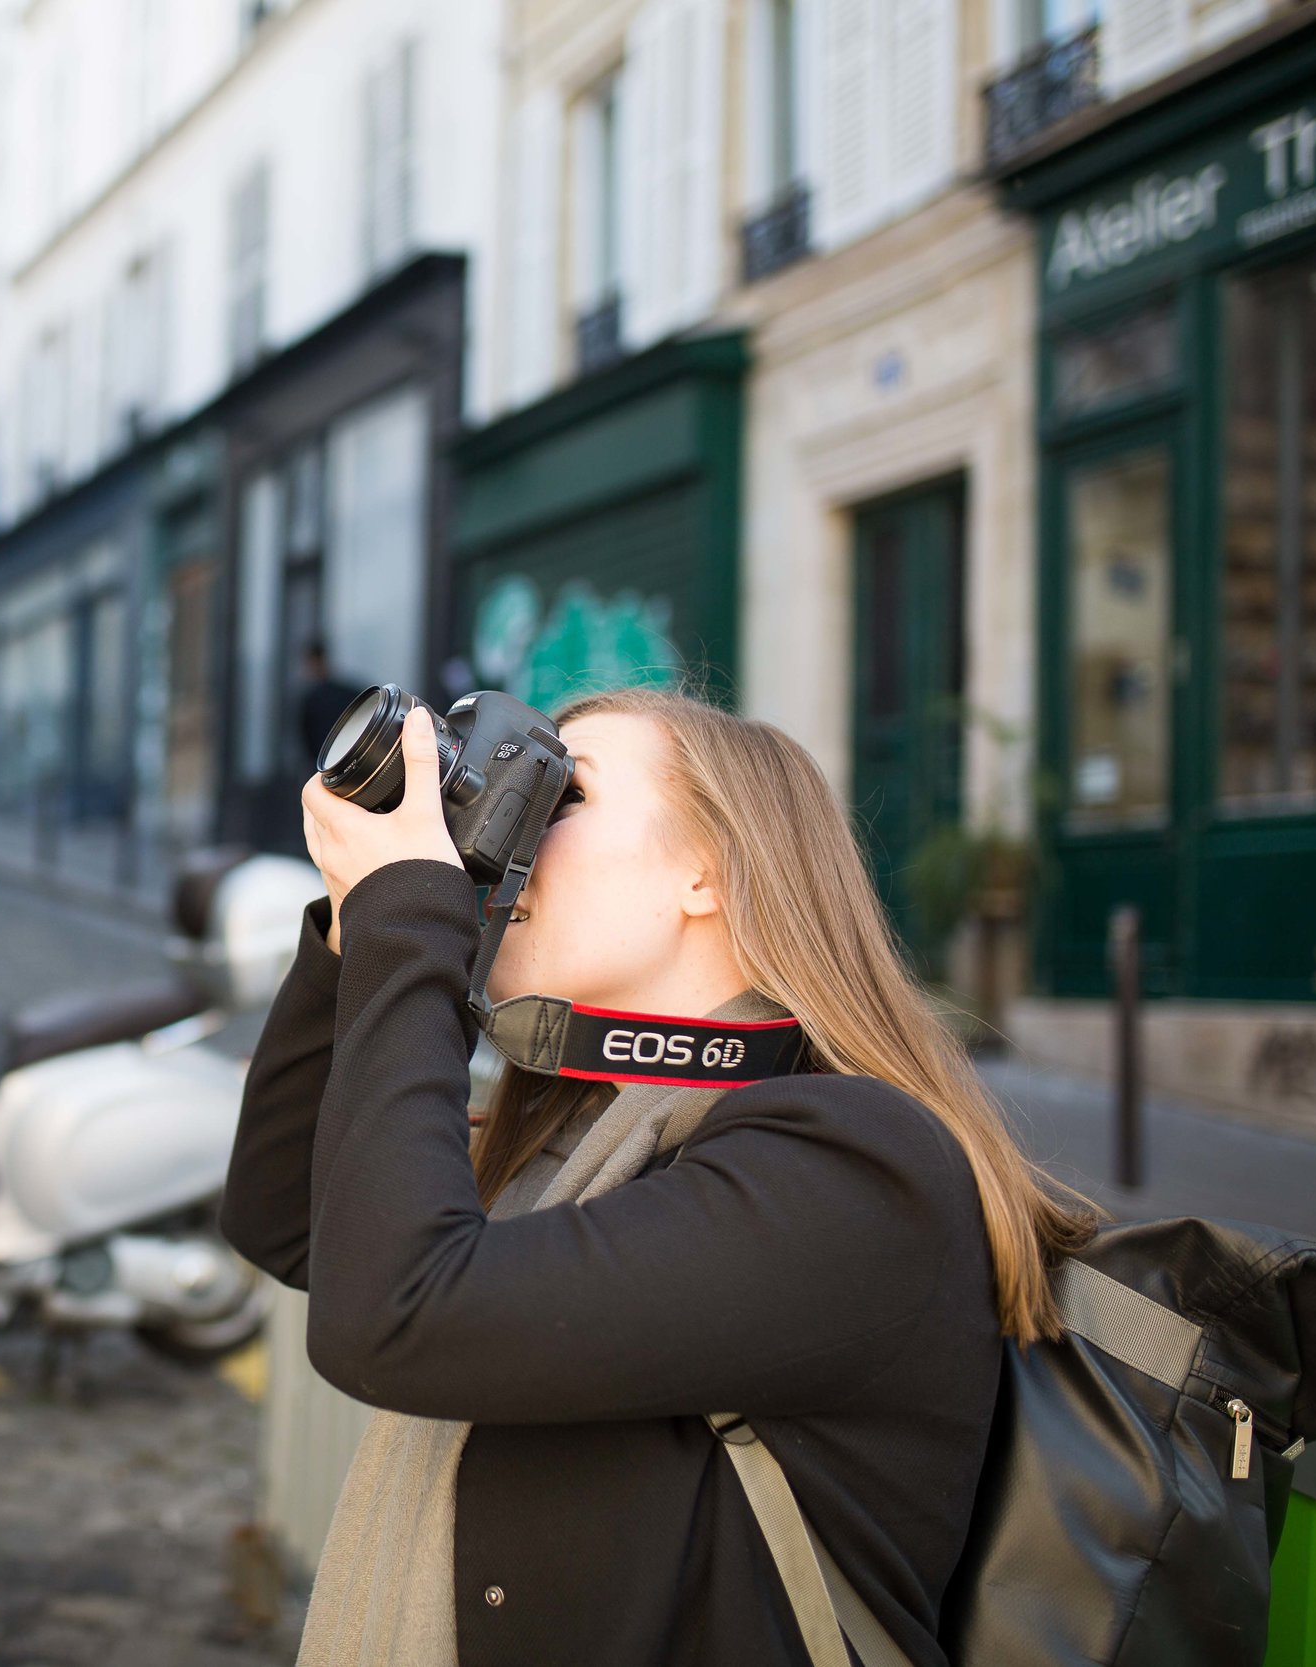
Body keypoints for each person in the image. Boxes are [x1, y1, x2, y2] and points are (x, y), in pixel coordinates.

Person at [222, 685, 1093, 1667]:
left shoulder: (854, 1169)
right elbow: (293, 1216)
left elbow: (395, 1314)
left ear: (708, 873)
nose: (505, 839)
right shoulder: (584, 1125)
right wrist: (358, 928)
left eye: (562, 796)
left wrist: (409, 915)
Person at [296, 641, 365, 771]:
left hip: (326, 764)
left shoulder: (312, 699)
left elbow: (306, 739)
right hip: (348, 760)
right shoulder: (347, 692)